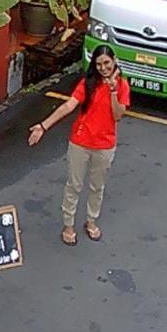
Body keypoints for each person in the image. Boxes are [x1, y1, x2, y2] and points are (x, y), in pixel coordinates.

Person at [27, 44, 129, 245]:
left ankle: (91, 221)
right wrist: (43, 126)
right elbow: (68, 105)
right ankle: (68, 224)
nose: (103, 68)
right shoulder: (87, 83)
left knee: (97, 187)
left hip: (105, 145)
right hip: (80, 142)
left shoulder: (122, 86)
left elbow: (118, 115)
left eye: (107, 63)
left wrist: (114, 91)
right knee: (74, 185)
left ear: (114, 61)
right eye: (99, 64)